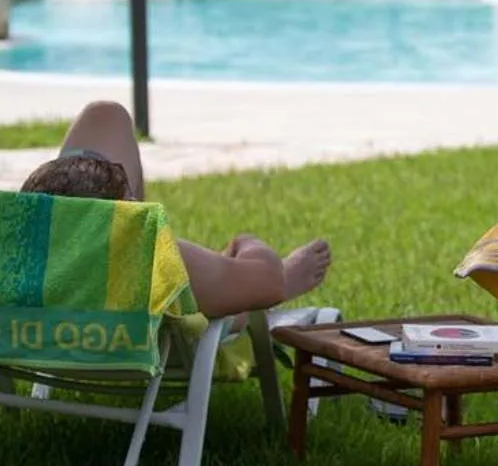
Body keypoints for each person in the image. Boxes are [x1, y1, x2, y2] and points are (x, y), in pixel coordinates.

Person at [20, 101, 332, 318]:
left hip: (55, 291)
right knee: (231, 297)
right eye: (129, 202)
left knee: (105, 115)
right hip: (141, 291)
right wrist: (247, 242)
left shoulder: (9, 248)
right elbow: (268, 281)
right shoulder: (152, 260)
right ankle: (251, 285)